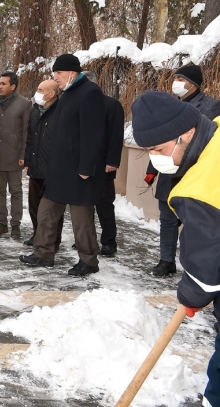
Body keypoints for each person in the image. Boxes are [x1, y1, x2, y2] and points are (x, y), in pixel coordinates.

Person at [130, 91, 220, 406]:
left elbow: (205, 271)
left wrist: (191, 293)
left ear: (188, 133)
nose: (156, 157)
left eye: (159, 148)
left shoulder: (200, 189)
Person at [19, 53, 106, 275]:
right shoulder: (67, 94)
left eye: (58, 72)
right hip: (57, 169)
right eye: (54, 73)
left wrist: (87, 167)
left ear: (72, 72)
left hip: (78, 171)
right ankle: (43, 254)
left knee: (81, 220)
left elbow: (93, 133)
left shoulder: (90, 93)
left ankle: (89, 261)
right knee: (46, 213)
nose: (55, 77)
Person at [146, 64, 220, 276]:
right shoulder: (170, 106)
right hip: (169, 172)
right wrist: (152, 168)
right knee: (167, 220)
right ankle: (166, 260)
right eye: (176, 77)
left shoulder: (213, 106)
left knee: (195, 223)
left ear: (193, 83)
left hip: (196, 174)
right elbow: (159, 139)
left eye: (181, 78)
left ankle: (195, 267)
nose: (176, 82)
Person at [83, 71, 125, 257]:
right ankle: (87, 239)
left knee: (104, 205)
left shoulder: (111, 105)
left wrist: (112, 161)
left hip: (103, 165)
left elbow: (116, 136)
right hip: (82, 164)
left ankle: (109, 242)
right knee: (84, 205)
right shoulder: (80, 106)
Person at [0, 71, 32, 239]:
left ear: (13, 86)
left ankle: (15, 224)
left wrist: (24, 155)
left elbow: (27, 132)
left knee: (16, 191)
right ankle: (1, 223)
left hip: (14, 155)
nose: (0, 86)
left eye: (4, 83)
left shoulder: (24, 104)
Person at [23, 79, 63, 248]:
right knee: (34, 206)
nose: (37, 92)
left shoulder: (61, 112)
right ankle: (37, 234)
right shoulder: (34, 111)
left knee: (52, 209)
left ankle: (53, 239)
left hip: (53, 169)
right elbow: (30, 138)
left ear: (51, 94)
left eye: (40, 89)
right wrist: (27, 160)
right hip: (35, 167)